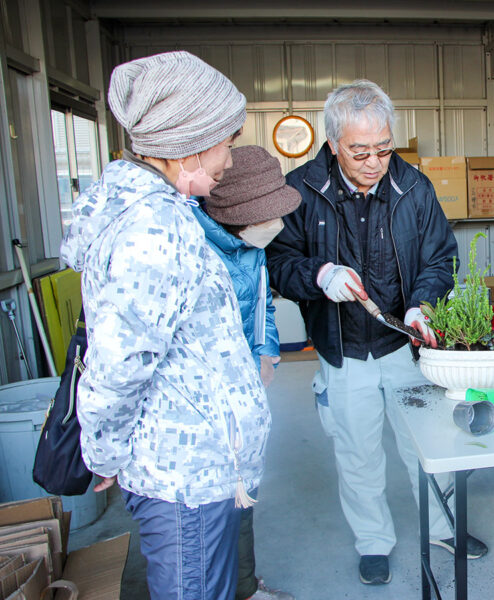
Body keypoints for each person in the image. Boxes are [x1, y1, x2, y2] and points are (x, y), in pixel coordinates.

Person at [60, 51, 270, 600]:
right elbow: (121, 364)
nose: (228, 161)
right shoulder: (152, 227)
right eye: (226, 142)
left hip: (194, 470)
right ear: (190, 147)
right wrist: (101, 449)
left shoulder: (161, 210)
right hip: (184, 482)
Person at [266, 79, 488, 586]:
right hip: (342, 350)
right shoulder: (301, 190)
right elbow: (278, 262)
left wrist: (422, 306)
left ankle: (443, 527)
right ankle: (373, 541)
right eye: (359, 151)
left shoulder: (414, 188)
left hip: (403, 345)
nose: (373, 162)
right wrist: (319, 275)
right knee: (358, 449)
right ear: (333, 144)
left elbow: (440, 258)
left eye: (383, 149)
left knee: (427, 445)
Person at [193, 145, 300, 600]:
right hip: (203, 400)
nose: (274, 224)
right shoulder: (193, 248)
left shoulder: (249, 248)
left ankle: (244, 588)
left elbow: (262, 307)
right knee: (210, 507)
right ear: (234, 211)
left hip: (243, 392)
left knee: (243, 491)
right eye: (265, 214)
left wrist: (267, 353)